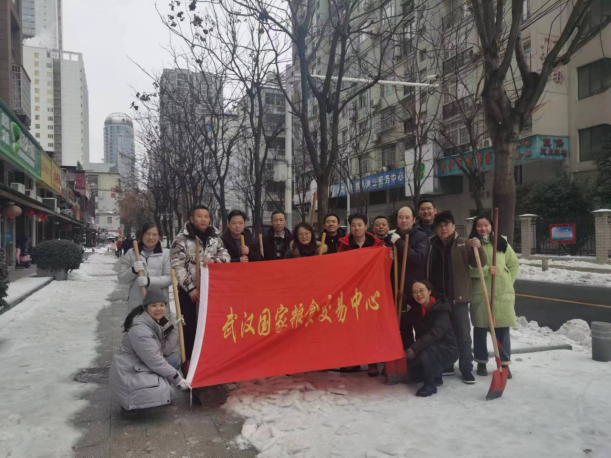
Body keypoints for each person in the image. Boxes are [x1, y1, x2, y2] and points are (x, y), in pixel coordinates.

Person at [426, 211, 487, 384]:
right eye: (439, 225)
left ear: (453, 226)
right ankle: (447, 364)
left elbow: (479, 263)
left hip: (459, 298)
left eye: (446, 225)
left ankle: (466, 368)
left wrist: (478, 248)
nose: (443, 228)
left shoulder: (464, 243)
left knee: (463, 334)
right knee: (443, 334)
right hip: (438, 299)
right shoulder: (431, 245)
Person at [110, 286, 190, 411]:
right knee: (168, 394)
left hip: (140, 365)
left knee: (174, 358)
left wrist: (174, 328)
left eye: (162, 305)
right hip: (131, 376)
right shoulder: (141, 332)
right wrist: (178, 379)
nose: (159, 309)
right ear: (146, 307)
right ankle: (138, 404)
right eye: (154, 305)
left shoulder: (153, 322)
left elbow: (166, 351)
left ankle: (158, 388)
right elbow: (156, 361)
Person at [171, 205, 230, 360]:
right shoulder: (181, 239)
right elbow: (177, 265)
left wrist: (215, 260)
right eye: (199, 216)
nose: (203, 219)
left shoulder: (215, 238)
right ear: (192, 218)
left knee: (210, 327)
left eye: (206, 216)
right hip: (189, 292)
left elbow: (226, 256)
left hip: (211, 291)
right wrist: (190, 288)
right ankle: (190, 363)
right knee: (190, 328)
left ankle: (209, 360)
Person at [469, 215, 519, 379]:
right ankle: (481, 361)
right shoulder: (471, 244)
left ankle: (504, 364)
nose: (483, 229)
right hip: (481, 291)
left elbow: (513, 264)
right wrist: (485, 271)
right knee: (480, 329)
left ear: (492, 226)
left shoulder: (501, 243)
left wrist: (507, 281)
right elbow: (467, 269)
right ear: (475, 228)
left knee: (502, 329)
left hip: (501, 293)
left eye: (486, 225)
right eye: (479, 226)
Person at [338, 212, 387, 376]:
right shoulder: (344, 245)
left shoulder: (377, 245)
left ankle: (372, 362)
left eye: (360, 225)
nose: (357, 228)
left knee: (371, 327)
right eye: (353, 225)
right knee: (353, 327)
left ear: (366, 226)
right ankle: (355, 360)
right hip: (351, 292)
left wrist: (388, 257)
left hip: (372, 291)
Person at [406, 281, 459, 397]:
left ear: (429, 291)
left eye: (421, 290)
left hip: (448, 349)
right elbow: (404, 312)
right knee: (414, 376)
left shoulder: (441, 309)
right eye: (414, 292)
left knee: (426, 351)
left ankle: (430, 385)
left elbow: (435, 333)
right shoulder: (417, 309)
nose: (418, 294)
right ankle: (436, 376)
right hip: (430, 346)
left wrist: (414, 348)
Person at [392, 207, 430, 350]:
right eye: (400, 217)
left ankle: (421, 357)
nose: (403, 220)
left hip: (415, 292)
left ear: (414, 219)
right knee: (403, 328)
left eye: (407, 217)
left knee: (419, 327)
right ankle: (406, 357)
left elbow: (418, 258)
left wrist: (400, 243)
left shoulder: (421, 236)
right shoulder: (393, 236)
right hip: (398, 292)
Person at [119, 222, 172, 309]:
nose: (150, 237)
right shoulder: (131, 253)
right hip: (136, 306)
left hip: (158, 306)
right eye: (147, 234)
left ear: (159, 236)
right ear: (142, 235)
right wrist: (133, 270)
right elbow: (122, 279)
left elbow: (170, 279)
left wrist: (149, 281)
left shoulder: (166, 254)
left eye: (154, 234)